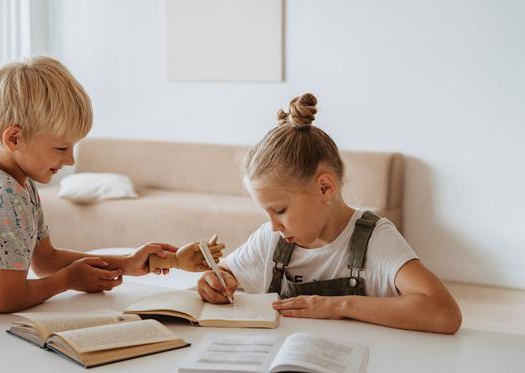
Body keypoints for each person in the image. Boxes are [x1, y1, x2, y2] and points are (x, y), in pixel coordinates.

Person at [0, 56, 222, 328]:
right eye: (61, 147)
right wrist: (68, 280)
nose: (70, 160)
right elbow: (5, 298)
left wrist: (126, 263)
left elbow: (45, 259)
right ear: (14, 138)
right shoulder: (4, 199)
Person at [196, 92, 462, 334]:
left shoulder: (375, 240)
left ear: (325, 188)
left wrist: (340, 306)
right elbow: (226, 271)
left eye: (280, 210)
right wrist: (217, 281)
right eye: (267, 213)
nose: (274, 225)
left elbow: (445, 313)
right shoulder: (271, 239)